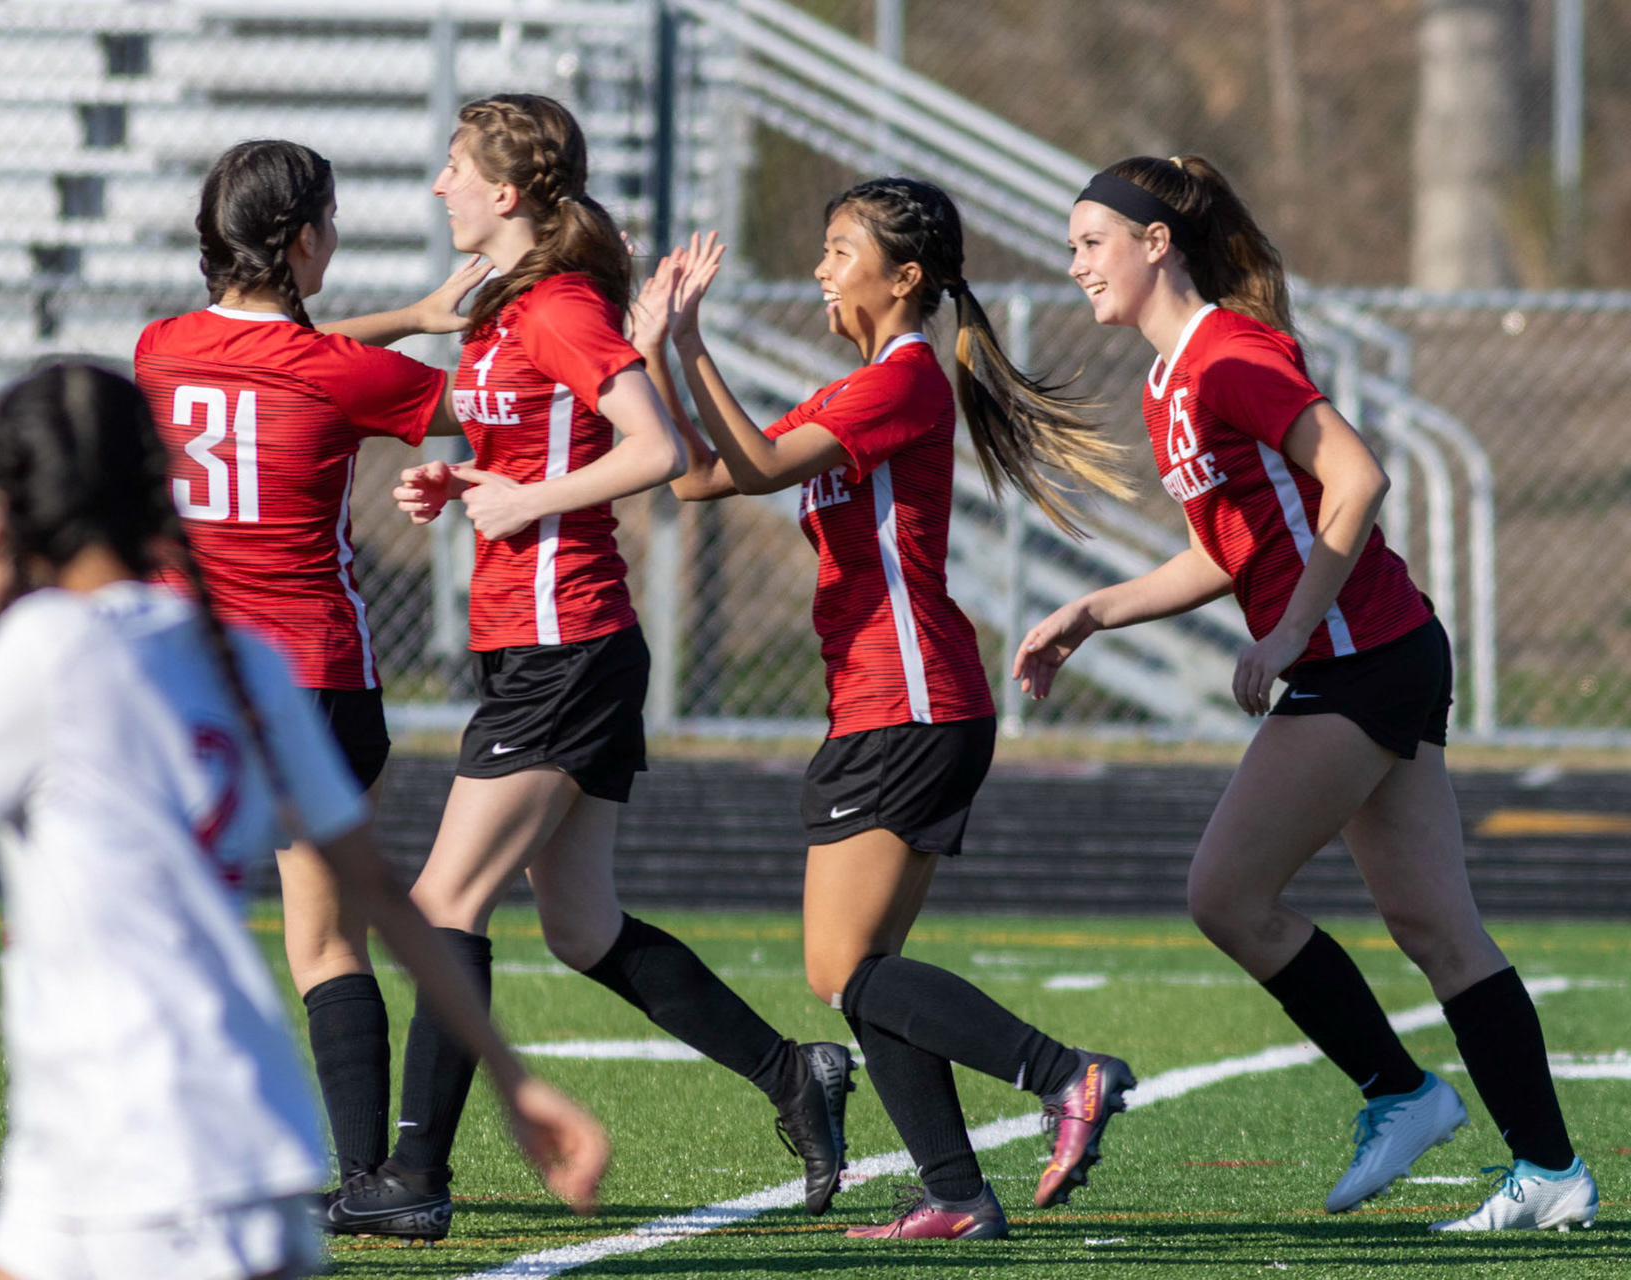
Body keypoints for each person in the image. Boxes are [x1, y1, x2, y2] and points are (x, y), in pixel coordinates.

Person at [0, 364, 609, 1280]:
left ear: (8, 508)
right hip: (178, 1114)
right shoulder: (240, 659)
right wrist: (513, 1079)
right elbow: (378, 889)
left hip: (141, 1123)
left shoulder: (43, 652)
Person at [1023, 155, 1596, 1232]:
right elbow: (1228, 550)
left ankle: (1402, 1093)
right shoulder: (1167, 382)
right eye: (1071, 248)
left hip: (1360, 658)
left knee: (1226, 894)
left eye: (1092, 243)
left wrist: (1287, 632)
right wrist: (1097, 610)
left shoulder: (1228, 354)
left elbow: (1358, 474)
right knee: (1437, 927)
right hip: (1381, 650)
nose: (1077, 265)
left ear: (1157, 243)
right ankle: (1551, 1168)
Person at [373, 92, 852, 1237]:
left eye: (454, 167)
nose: (439, 186)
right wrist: (464, 480)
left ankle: (413, 1177)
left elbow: (657, 446)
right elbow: (536, 447)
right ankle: (795, 1071)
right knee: (582, 927)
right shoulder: (501, 309)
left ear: (508, 191)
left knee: (443, 901)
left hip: (566, 642)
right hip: (536, 641)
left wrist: (527, 500)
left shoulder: (557, 306)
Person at [640, 179, 1140, 1242]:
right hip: (902, 705)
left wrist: (690, 343)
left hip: (906, 704)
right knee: (869, 975)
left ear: (904, 277)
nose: (821, 270)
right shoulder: (859, 385)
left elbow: (757, 466)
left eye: (840, 251)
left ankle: (1066, 1073)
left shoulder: (903, 378)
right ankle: (956, 1192)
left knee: (841, 971)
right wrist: (662, 353)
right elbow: (696, 477)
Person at [132, 138, 489, 1224]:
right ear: (299, 239)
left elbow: (276, 353)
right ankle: (372, 1178)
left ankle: (174, 1158)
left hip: (190, 685)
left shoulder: (157, 349)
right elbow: (482, 407)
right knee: (327, 936)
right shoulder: (342, 373)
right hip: (317, 680)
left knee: (172, 927)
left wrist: (409, 317)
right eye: (327, 221)